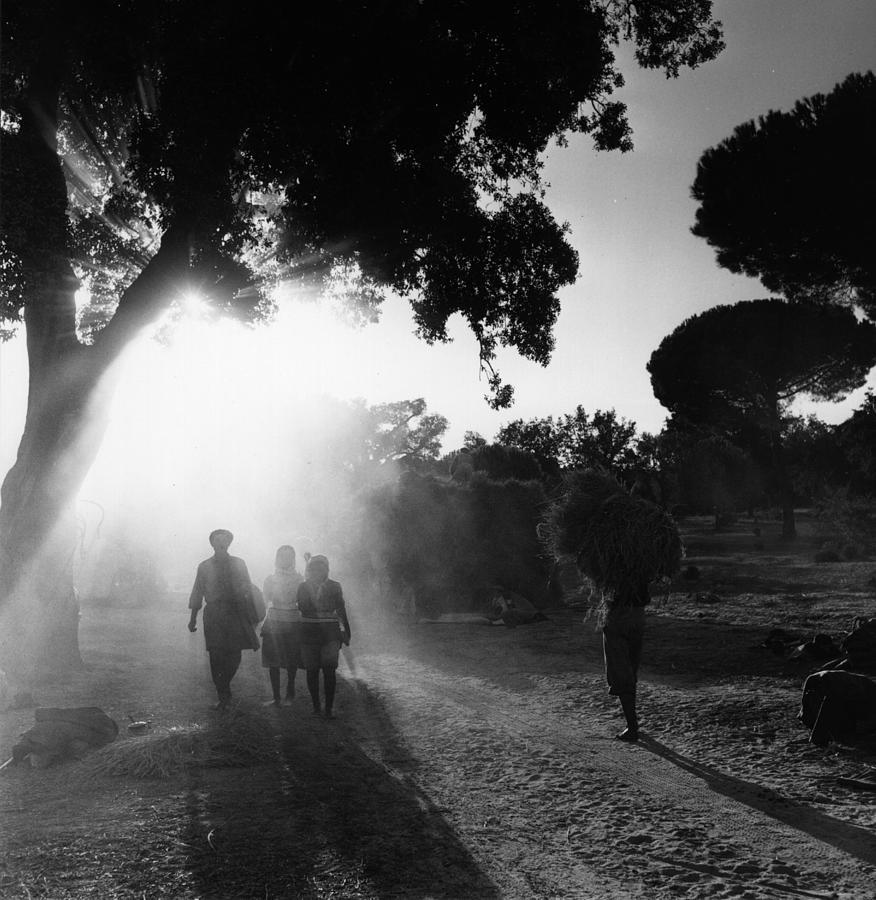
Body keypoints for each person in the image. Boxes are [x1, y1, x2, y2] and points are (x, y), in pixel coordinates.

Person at [188, 529, 260, 710]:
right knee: (216, 654)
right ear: (211, 543)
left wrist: (253, 616)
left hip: (235, 612)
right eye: (217, 540)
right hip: (214, 614)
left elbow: (248, 590)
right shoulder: (204, 566)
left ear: (229, 543)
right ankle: (223, 696)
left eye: (224, 540)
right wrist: (192, 619)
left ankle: (224, 686)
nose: (221, 542)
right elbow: (197, 592)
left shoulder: (239, 563)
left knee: (234, 654)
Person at [297, 555, 351, 718]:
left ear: (327, 570)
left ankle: (328, 708)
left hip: (330, 633)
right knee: (312, 670)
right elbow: (304, 607)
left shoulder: (335, 586)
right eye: (313, 569)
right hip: (309, 633)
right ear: (309, 571)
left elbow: (341, 609)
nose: (317, 572)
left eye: (321, 569)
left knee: (329, 669)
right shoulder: (303, 587)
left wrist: (346, 631)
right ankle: (316, 706)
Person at [602, 575, 649, 742]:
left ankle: (632, 727)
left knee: (621, 671)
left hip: (618, 617)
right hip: (638, 615)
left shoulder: (611, 559)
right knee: (631, 667)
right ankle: (632, 724)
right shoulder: (644, 560)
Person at [261, 545, 304, 707]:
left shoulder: (300, 579)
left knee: (292, 659)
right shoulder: (270, 579)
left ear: (293, 559)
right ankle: (276, 697)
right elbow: (264, 601)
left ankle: (290, 691)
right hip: (274, 620)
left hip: (293, 620)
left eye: (289, 556)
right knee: (273, 660)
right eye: (282, 556)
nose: (285, 559)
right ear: (277, 558)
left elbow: (303, 601)